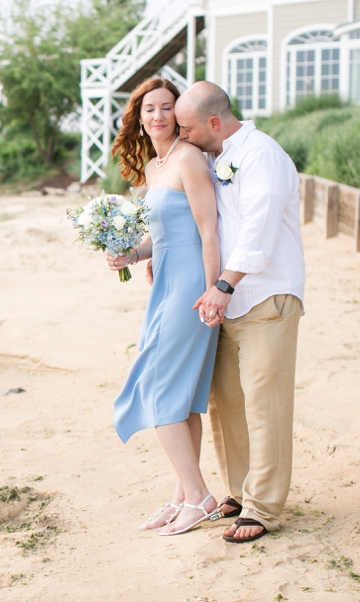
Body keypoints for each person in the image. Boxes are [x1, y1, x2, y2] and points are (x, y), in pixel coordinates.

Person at [174, 81, 305, 543]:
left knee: (264, 404)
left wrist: (224, 285)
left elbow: (259, 229)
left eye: (186, 128)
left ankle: (264, 507)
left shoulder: (261, 154)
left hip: (266, 296)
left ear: (213, 122)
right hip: (226, 301)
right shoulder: (214, 154)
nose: (182, 135)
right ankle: (239, 490)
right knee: (225, 401)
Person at [106, 77, 223, 536]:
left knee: (158, 388)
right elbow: (163, 234)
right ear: (138, 116)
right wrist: (132, 255)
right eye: (148, 108)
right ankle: (182, 496)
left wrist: (214, 288)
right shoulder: (156, 167)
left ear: (179, 113)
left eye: (166, 107)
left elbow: (207, 230)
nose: (157, 115)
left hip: (191, 281)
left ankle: (200, 498)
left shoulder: (190, 158)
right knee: (183, 396)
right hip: (166, 278)